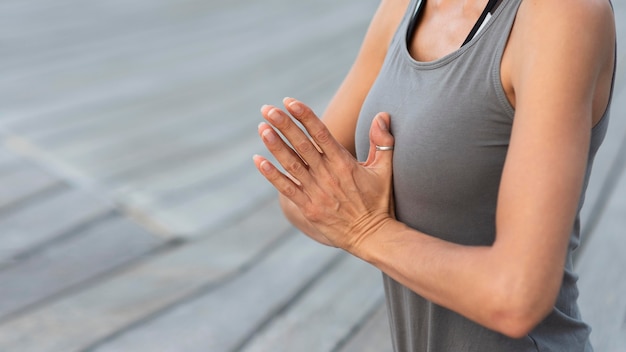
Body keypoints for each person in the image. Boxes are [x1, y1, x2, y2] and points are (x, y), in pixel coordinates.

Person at [253, 0, 616, 350]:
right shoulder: (403, 8)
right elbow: (302, 196)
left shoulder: (561, 13)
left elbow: (515, 299)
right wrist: (346, 212)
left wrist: (367, 230)